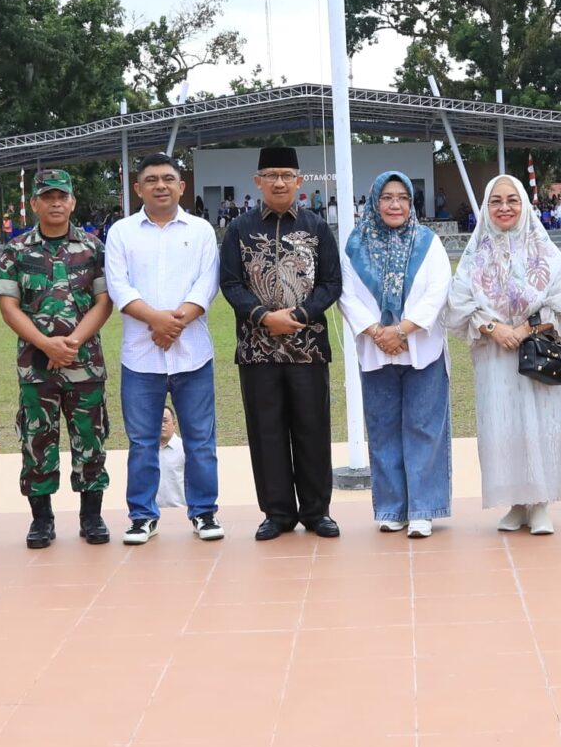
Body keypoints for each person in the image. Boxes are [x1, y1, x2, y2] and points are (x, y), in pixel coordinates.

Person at [220, 146, 345, 540]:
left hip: (308, 349)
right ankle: (277, 513)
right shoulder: (240, 229)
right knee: (266, 431)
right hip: (257, 351)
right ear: (257, 182)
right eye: (271, 175)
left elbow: (331, 283)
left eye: (286, 175)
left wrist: (299, 317)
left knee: (312, 429)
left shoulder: (317, 226)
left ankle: (316, 511)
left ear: (299, 181)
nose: (278, 182)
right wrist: (262, 317)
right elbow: (231, 283)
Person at [445, 174, 561, 534]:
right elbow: (458, 305)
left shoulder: (544, 250)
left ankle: (540, 505)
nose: (504, 208)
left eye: (512, 200)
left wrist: (523, 329)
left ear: (524, 205)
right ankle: (517, 504)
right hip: (495, 355)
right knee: (503, 426)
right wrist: (494, 328)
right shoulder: (475, 254)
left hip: (537, 351)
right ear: (486, 208)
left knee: (539, 423)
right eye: (496, 201)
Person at [104, 155, 224, 545]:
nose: (161, 185)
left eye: (168, 179)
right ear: (138, 189)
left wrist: (174, 324)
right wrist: (156, 321)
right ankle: (141, 516)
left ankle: (204, 513)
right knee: (141, 443)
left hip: (192, 354)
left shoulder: (202, 230)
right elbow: (119, 288)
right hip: (141, 356)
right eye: (151, 180)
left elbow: (207, 285)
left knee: (201, 440)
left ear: (181, 186)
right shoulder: (121, 233)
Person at [0, 169, 116, 548]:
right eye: (48, 197)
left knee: (90, 439)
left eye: (62, 196)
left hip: (85, 363)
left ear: (73, 202)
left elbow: (104, 301)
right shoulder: (17, 250)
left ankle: (91, 517)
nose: (56, 203)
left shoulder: (93, 247)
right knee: (37, 441)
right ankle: (41, 520)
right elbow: (9, 306)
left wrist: (73, 342)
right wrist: (46, 345)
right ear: (35, 204)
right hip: (37, 364)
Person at [338, 169, 453, 538]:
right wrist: (377, 332)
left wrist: (402, 329)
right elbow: (346, 295)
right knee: (383, 428)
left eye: (402, 197)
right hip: (376, 352)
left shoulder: (427, 242)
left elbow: (439, 289)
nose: (395, 204)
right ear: (374, 201)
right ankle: (392, 508)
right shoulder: (355, 244)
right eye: (387, 197)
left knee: (423, 428)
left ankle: (423, 508)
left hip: (422, 350)